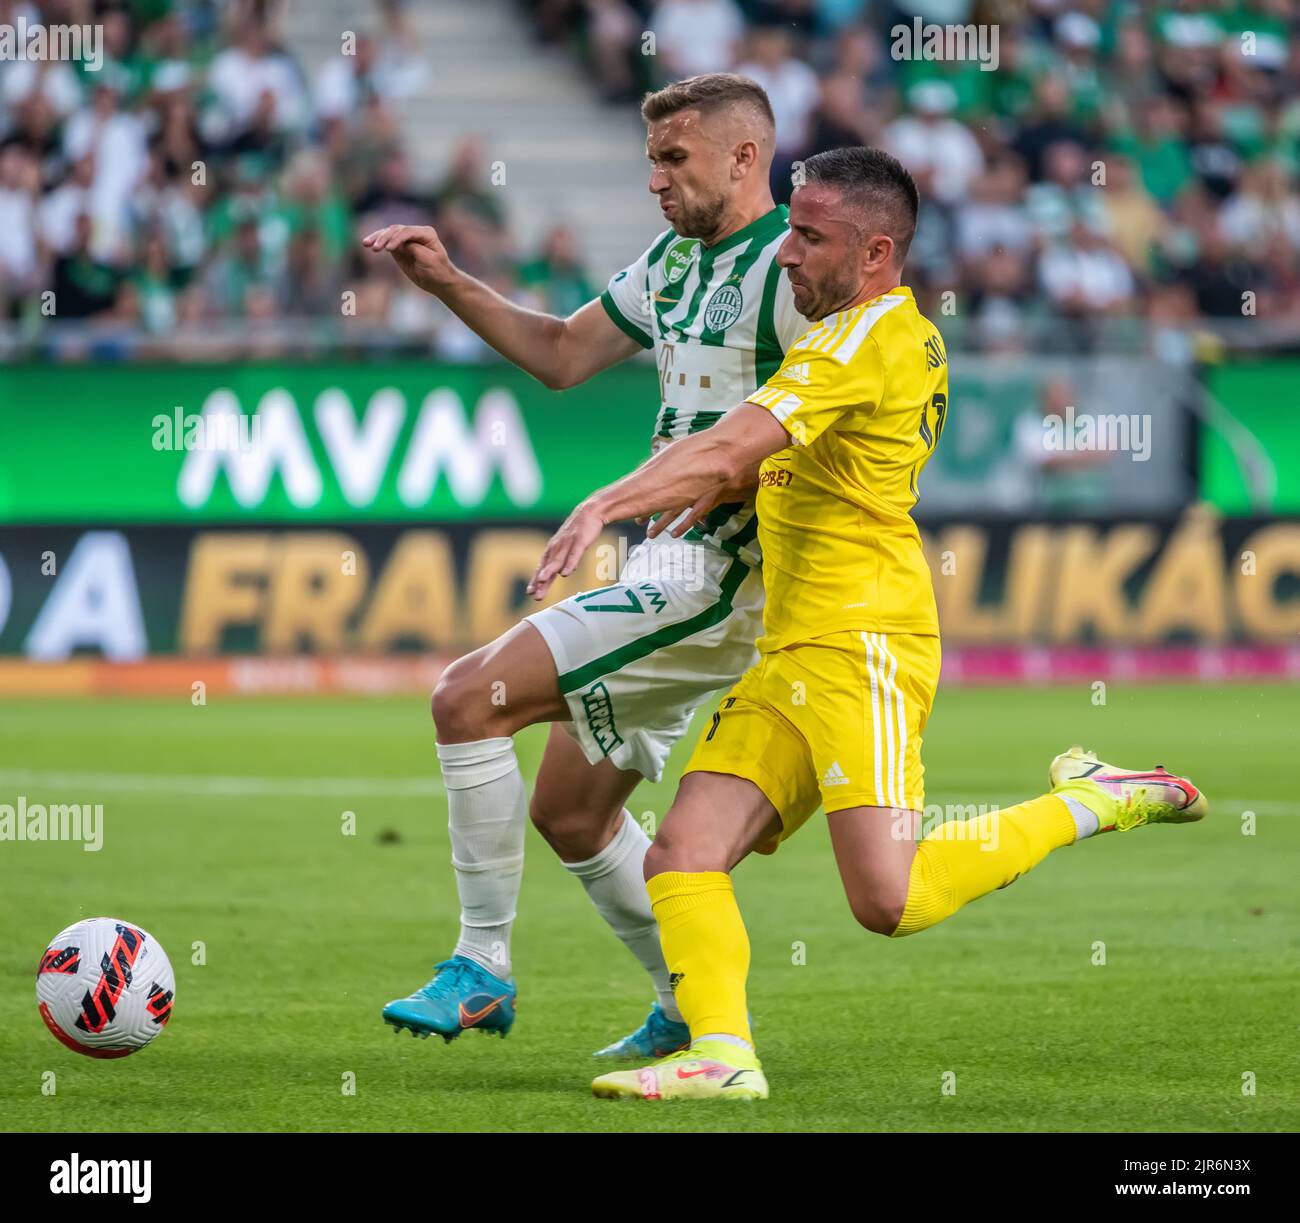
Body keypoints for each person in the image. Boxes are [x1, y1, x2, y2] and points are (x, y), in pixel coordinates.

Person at [528, 146, 1210, 1101]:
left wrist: (606, 503)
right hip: (790, 647)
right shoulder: (841, 334)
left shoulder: (871, 339)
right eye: (790, 231)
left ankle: (1096, 798)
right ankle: (723, 1055)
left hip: (864, 642)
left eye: (809, 237)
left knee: (886, 901)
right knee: (684, 847)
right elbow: (739, 457)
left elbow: (731, 444)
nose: (785, 255)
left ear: (877, 250)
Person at [361, 74, 811, 1057]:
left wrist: (719, 483)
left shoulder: (794, 268)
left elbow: (825, 426)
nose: (654, 179)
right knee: (569, 811)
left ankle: (481, 964)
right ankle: (689, 998)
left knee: (464, 698)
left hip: (725, 582)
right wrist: (448, 284)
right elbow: (564, 353)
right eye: (650, 159)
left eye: (673, 159)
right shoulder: (674, 261)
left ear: (744, 157)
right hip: (674, 566)